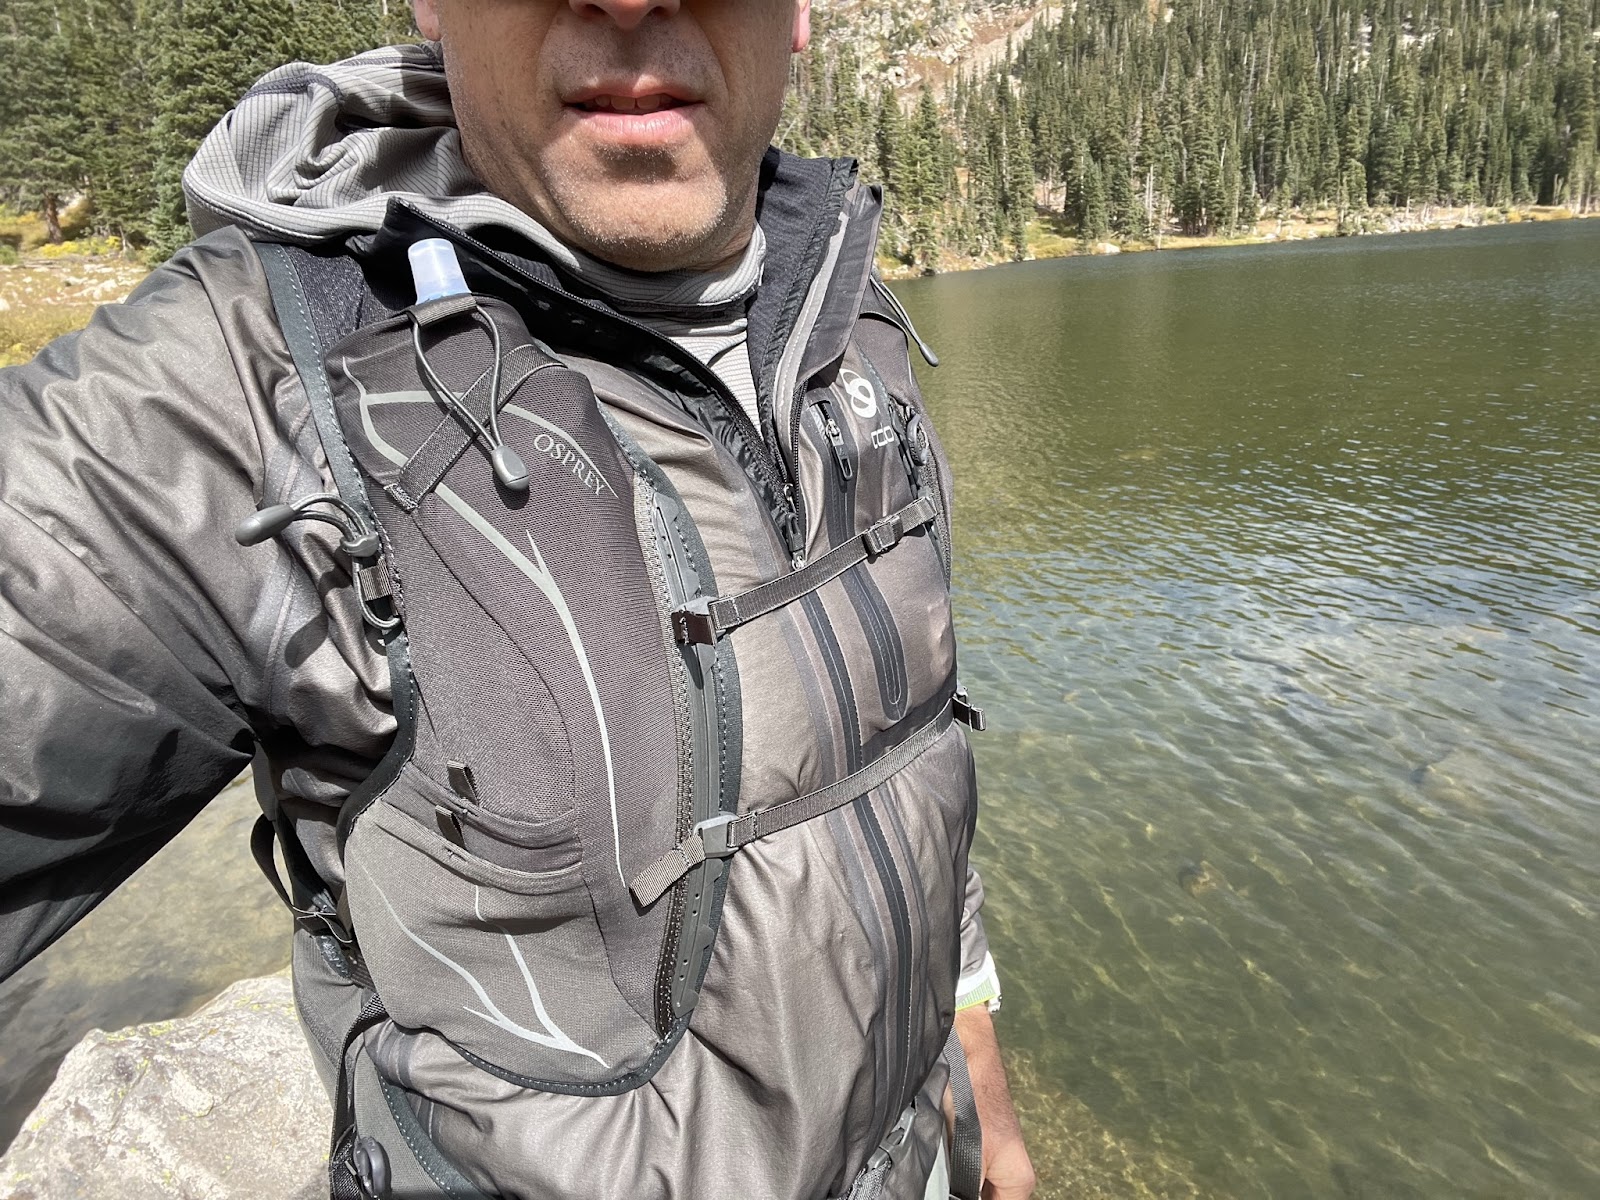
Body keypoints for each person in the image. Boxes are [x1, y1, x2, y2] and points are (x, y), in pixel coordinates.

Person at [0, 2, 1036, 1197]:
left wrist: (972, 1062)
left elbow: (908, 745)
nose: (632, 0)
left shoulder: (839, 294)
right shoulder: (243, 388)